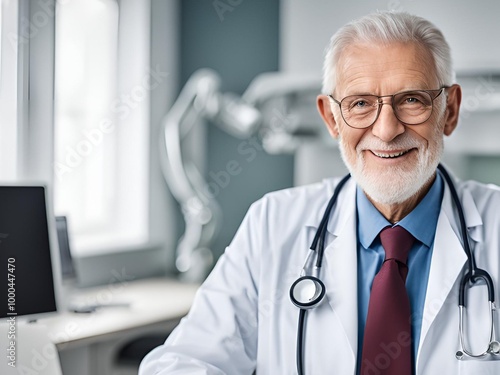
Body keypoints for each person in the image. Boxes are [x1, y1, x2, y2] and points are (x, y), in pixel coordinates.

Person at [139, 11, 500, 375]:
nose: (387, 130)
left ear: (449, 111)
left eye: (412, 100)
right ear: (331, 118)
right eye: (360, 103)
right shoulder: (273, 224)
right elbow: (180, 362)